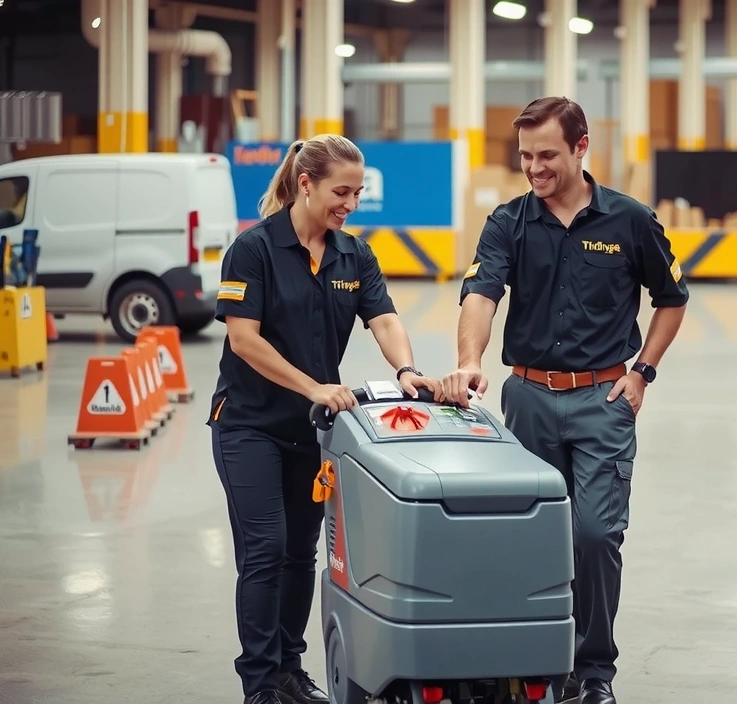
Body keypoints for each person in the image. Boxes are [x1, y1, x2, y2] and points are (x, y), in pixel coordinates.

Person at [440, 97, 689, 704]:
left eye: (547, 154)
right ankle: (536, 662)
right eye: (525, 156)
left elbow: (672, 298)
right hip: (528, 399)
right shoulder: (509, 222)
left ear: (581, 148)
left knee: (596, 536)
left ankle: (593, 672)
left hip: (603, 400)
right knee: (531, 535)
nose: (534, 168)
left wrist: (643, 372)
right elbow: (481, 294)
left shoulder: (630, 220)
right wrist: (470, 359)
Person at [208, 134, 441, 704]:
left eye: (358, 193)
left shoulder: (354, 255)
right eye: (342, 192)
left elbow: (383, 319)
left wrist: (406, 369)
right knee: (265, 550)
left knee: (299, 553)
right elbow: (243, 340)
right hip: (248, 425)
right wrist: (314, 386)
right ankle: (260, 684)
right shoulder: (253, 250)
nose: (351, 204)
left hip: (309, 431)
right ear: (305, 183)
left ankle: (288, 670)